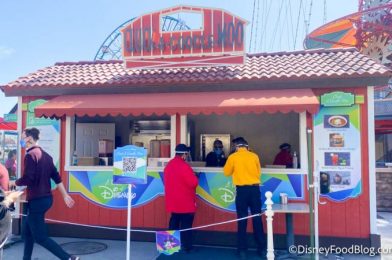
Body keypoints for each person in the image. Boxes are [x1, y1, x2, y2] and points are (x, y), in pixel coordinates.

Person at [9, 128, 79, 260]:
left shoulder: (30, 155)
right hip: (46, 199)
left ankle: (68, 258)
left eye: (23, 137)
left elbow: (28, 178)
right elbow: (56, 177)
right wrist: (65, 195)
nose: (21, 140)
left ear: (29, 138)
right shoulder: (47, 156)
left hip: (37, 201)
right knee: (29, 233)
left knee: (40, 237)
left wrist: (14, 183)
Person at [223, 137, 266, 259]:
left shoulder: (233, 157)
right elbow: (258, 173)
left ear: (236, 147)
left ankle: (242, 250)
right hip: (254, 190)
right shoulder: (254, 156)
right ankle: (262, 249)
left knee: (242, 220)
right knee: (257, 219)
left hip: (242, 191)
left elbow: (226, 172)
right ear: (247, 146)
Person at [164, 144, 198, 253]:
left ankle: (169, 247)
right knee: (186, 225)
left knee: (173, 222)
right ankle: (187, 247)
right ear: (184, 154)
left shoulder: (169, 165)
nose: (187, 157)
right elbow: (193, 183)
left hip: (173, 201)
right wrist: (195, 176)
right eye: (186, 154)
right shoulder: (184, 166)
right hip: (185, 202)